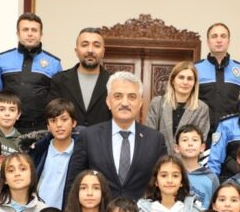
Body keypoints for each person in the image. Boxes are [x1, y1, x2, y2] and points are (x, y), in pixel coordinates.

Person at [65, 71, 166, 201]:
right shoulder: (88, 136)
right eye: (118, 96)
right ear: (108, 102)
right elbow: (73, 183)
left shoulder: (155, 140)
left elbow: (162, 183)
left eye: (132, 97)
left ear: (140, 103)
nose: (125, 103)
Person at [0, 13, 62, 133]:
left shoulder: (54, 63)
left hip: (41, 129)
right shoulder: (3, 60)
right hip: (8, 128)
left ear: (41, 34)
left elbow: (57, 102)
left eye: (34, 30)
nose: (30, 34)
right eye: (25, 30)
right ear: (18, 34)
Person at [195, 22, 240, 146]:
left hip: (233, 136)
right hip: (202, 136)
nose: (219, 40)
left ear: (229, 41)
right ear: (208, 41)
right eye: (214, 36)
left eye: (223, 36)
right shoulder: (195, 69)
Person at [49, 27, 112, 127]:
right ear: (76, 51)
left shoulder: (114, 82)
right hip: (69, 137)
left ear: (103, 52)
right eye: (84, 45)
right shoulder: (59, 80)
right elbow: (52, 116)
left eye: (96, 45)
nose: (90, 50)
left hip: (103, 136)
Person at [146, 61, 210, 151]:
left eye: (190, 79)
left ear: (194, 83)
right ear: (173, 80)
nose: (185, 82)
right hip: (160, 157)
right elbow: (150, 136)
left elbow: (199, 141)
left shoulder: (202, 108)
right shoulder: (157, 103)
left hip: (188, 158)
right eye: (181, 77)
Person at [35, 98, 78, 209]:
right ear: (48, 126)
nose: (59, 125)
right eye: (53, 121)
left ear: (73, 123)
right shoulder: (38, 151)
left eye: (64, 119)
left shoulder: (82, 154)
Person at [174, 124, 218, 208]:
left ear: (202, 147)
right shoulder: (171, 174)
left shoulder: (211, 177)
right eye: (185, 140)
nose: (190, 144)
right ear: (177, 148)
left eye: (194, 140)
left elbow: (215, 207)